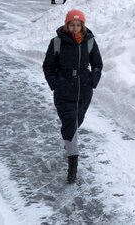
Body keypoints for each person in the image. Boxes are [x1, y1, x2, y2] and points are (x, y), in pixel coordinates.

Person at [42, 10, 103, 184]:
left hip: (84, 91)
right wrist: (56, 83)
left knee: (76, 123)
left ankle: (69, 144)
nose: (75, 28)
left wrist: (92, 80)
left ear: (82, 25)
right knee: (70, 124)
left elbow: (97, 64)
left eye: (78, 25)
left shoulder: (90, 42)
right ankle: (72, 168)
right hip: (64, 91)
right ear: (66, 25)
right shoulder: (57, 42)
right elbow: (48, 66)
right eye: (71, 25)